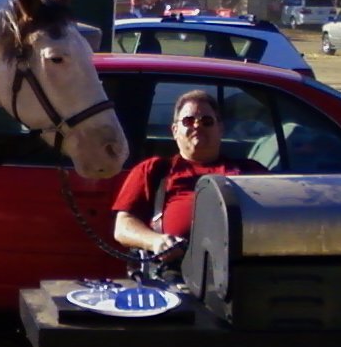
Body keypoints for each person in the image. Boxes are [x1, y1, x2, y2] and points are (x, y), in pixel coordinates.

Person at [112, 90, 267, 261]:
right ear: (175, 130)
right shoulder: (153, 169)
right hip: (174, 274)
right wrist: (155, 241)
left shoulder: (250, 171)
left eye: (207, 121)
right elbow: (123, 226)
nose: (197, 126)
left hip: (240, 270)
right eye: (188, 120)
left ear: (220, 129)